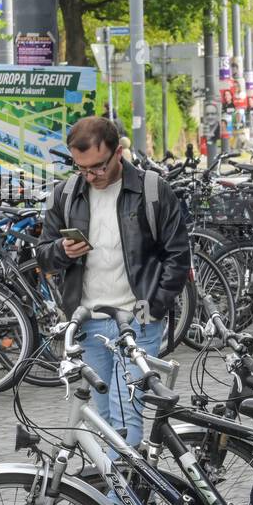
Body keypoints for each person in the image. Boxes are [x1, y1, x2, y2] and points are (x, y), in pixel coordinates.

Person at [37, 116, 191, 448]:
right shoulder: (64, 195)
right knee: (102, 416)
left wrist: (154, 307)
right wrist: (62, 251)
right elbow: (43, 257)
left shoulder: (152, 190)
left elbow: (178, 255)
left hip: (137, 323)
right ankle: (125, 492)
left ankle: (121, 498)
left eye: (98, 167)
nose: (91, 176)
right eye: (82, 169)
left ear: (117, 153)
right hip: (89, 324)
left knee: (127, 413)